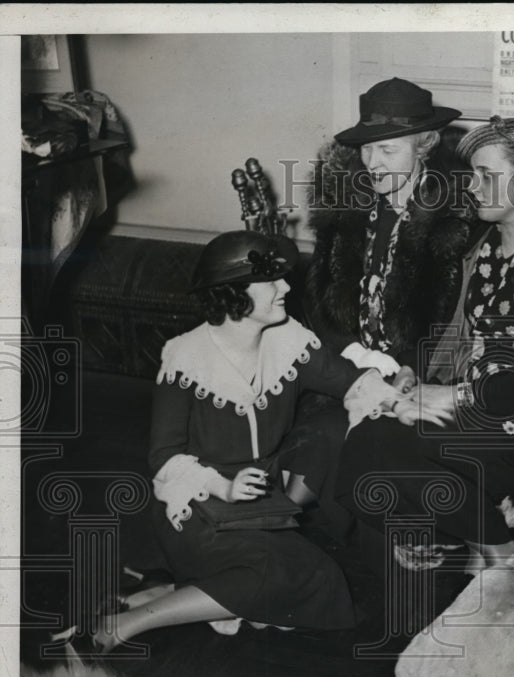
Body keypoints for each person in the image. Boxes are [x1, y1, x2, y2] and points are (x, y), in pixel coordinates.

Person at [70, 230, 442, 654]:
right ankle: (122, 626)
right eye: (272, 281)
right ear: (234, 294)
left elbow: (353, 382)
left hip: (259, 510)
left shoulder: (290, 343)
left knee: (321, 579)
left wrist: (406, 401)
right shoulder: (185, 357)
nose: (286, 287)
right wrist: (223, 486)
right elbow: (165, 459)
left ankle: (170, 592)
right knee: (286, 574)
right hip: (197, 509)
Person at [334, 116, 514, 571]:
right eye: (473, 174)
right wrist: (417, 374)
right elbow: (446, 329)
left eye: (487, 176)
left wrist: (451, 396)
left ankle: (494, 550)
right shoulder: (482, 241)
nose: (472, 187)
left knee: (382, 446)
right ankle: (470, 538)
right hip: (465, 407)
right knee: (361, 452)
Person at [298, 77, 476, 534]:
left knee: (353, 445)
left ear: (425, 146)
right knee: (321, 436)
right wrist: (358, 362)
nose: (372, 163)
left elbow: (451, 325)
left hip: (417, 377)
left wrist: (405, 370)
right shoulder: (344, 214)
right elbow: (318, 309)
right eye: (366, 149)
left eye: (387, 150)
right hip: (344, 368)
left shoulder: (454, 225)